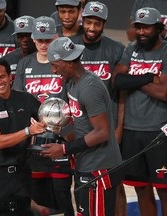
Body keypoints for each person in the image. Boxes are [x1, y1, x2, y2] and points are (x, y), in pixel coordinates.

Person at [41, 36, 122, 216]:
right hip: (85, 163)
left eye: (55, 65)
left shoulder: (90, 88)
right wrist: (54, 134)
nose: (53, 71)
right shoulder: (71, 83)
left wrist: (63, 149)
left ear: (69, 63)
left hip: (99, 167)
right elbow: (80, 124)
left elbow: (102, 132)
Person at [13, 16, 74, 216]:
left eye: (48, 40)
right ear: (33, 38)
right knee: (39, 199)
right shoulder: (24, 64)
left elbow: (72, 101)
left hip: (59, 140)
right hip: (34, 142)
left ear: (56, 37)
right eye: (40, 40)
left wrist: (69, 135)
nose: (44, 45)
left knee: (63, 195)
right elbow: (18, 100)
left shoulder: (63, 64)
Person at [112, 7, 167, 216]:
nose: (142, 32)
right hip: (131, 131)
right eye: (139, 27)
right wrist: (147, 77)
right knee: (141, 188)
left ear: (158, 28)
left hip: (159, 132)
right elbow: (117, 80)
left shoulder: (165, 51)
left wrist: (132, 80)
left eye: (147, 27)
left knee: (164, 190)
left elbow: (164, 92)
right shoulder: (131, 49)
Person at [0, 59, 45, 202]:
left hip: (22, 172)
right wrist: (28, 131)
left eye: (2, 76)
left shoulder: (26, 98)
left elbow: (46, 119)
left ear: (10, 76)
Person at [3, 15, 36, 84]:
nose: (24, 39)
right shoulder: (7, 60)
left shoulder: (44, 58)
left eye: (28, 35)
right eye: (20, 36)